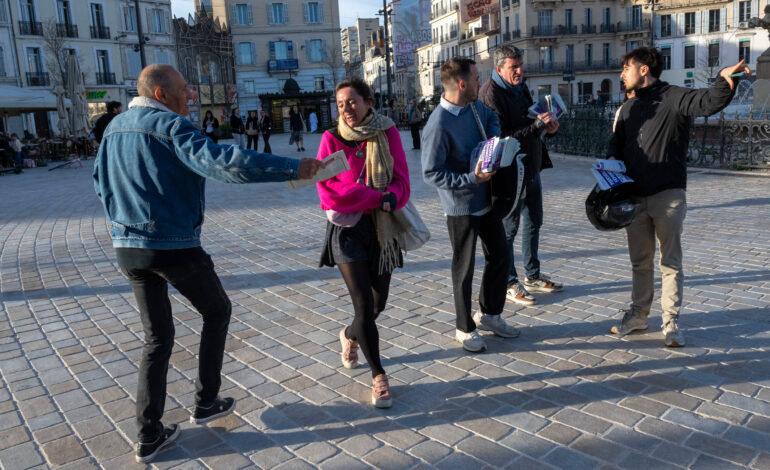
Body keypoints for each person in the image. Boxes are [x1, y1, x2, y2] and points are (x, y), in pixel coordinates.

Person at [93, 64, 325, 464]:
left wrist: (121, 226)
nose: (191, 96)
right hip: (171, 244)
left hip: (128, 247)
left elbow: (99, 181)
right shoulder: (168, 126)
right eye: (185, 89)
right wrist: (291, 167)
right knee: (217, 311)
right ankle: (206, 401)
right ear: (162, 93)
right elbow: (221, 161)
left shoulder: (112, 129)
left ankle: (148, 434)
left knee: (157, 337)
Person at [608, 47, 749, 347]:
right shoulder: (627, 109)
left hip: (667, 195)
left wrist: (724, 81)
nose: (622, 74)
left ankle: (670, 323)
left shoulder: (674, 97)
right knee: (639, 262)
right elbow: (615, 150)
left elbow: (708, 102)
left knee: (670, 262)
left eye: (626, 68)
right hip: (633, 198)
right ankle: (638, 315)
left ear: (644, 70)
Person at [316, 77, 410, 408]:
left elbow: (401, 182)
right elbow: (328, 193)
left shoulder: (388, 132)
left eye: (352, 102)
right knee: (362, 305)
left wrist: (392, 197)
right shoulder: (331, 138)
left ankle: (349, 335)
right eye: (340, 104)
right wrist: (374, 196)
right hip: (347, 232)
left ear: (369, 101)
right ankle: (379, 376)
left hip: (382, 230)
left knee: (376, 305)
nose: (346, 109)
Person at [422, 57, 519, 353]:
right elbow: (430, 173)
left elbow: (491, 118)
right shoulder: (438, 123)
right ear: (463, 84)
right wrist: (470, 178)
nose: (482, 82)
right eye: (478, 78)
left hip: (486, 198)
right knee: (464, 267)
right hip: (461, 206)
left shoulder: (474, 106)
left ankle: (490, 314)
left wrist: (493, 143)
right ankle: (464, 328)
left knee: (500, 255)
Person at [478, 45, 563, 308]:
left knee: (534, 220)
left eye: (521, 65)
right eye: (514, 67)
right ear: (499, 68)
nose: (519, 71)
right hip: (509, 171)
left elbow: (530, 120)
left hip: (531, 165)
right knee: (509, 228)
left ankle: (532, 274)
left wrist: (548, 127)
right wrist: (535, 126)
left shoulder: (520, 87)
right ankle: (508, 281)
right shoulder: (490, 94)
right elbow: (501, 139)